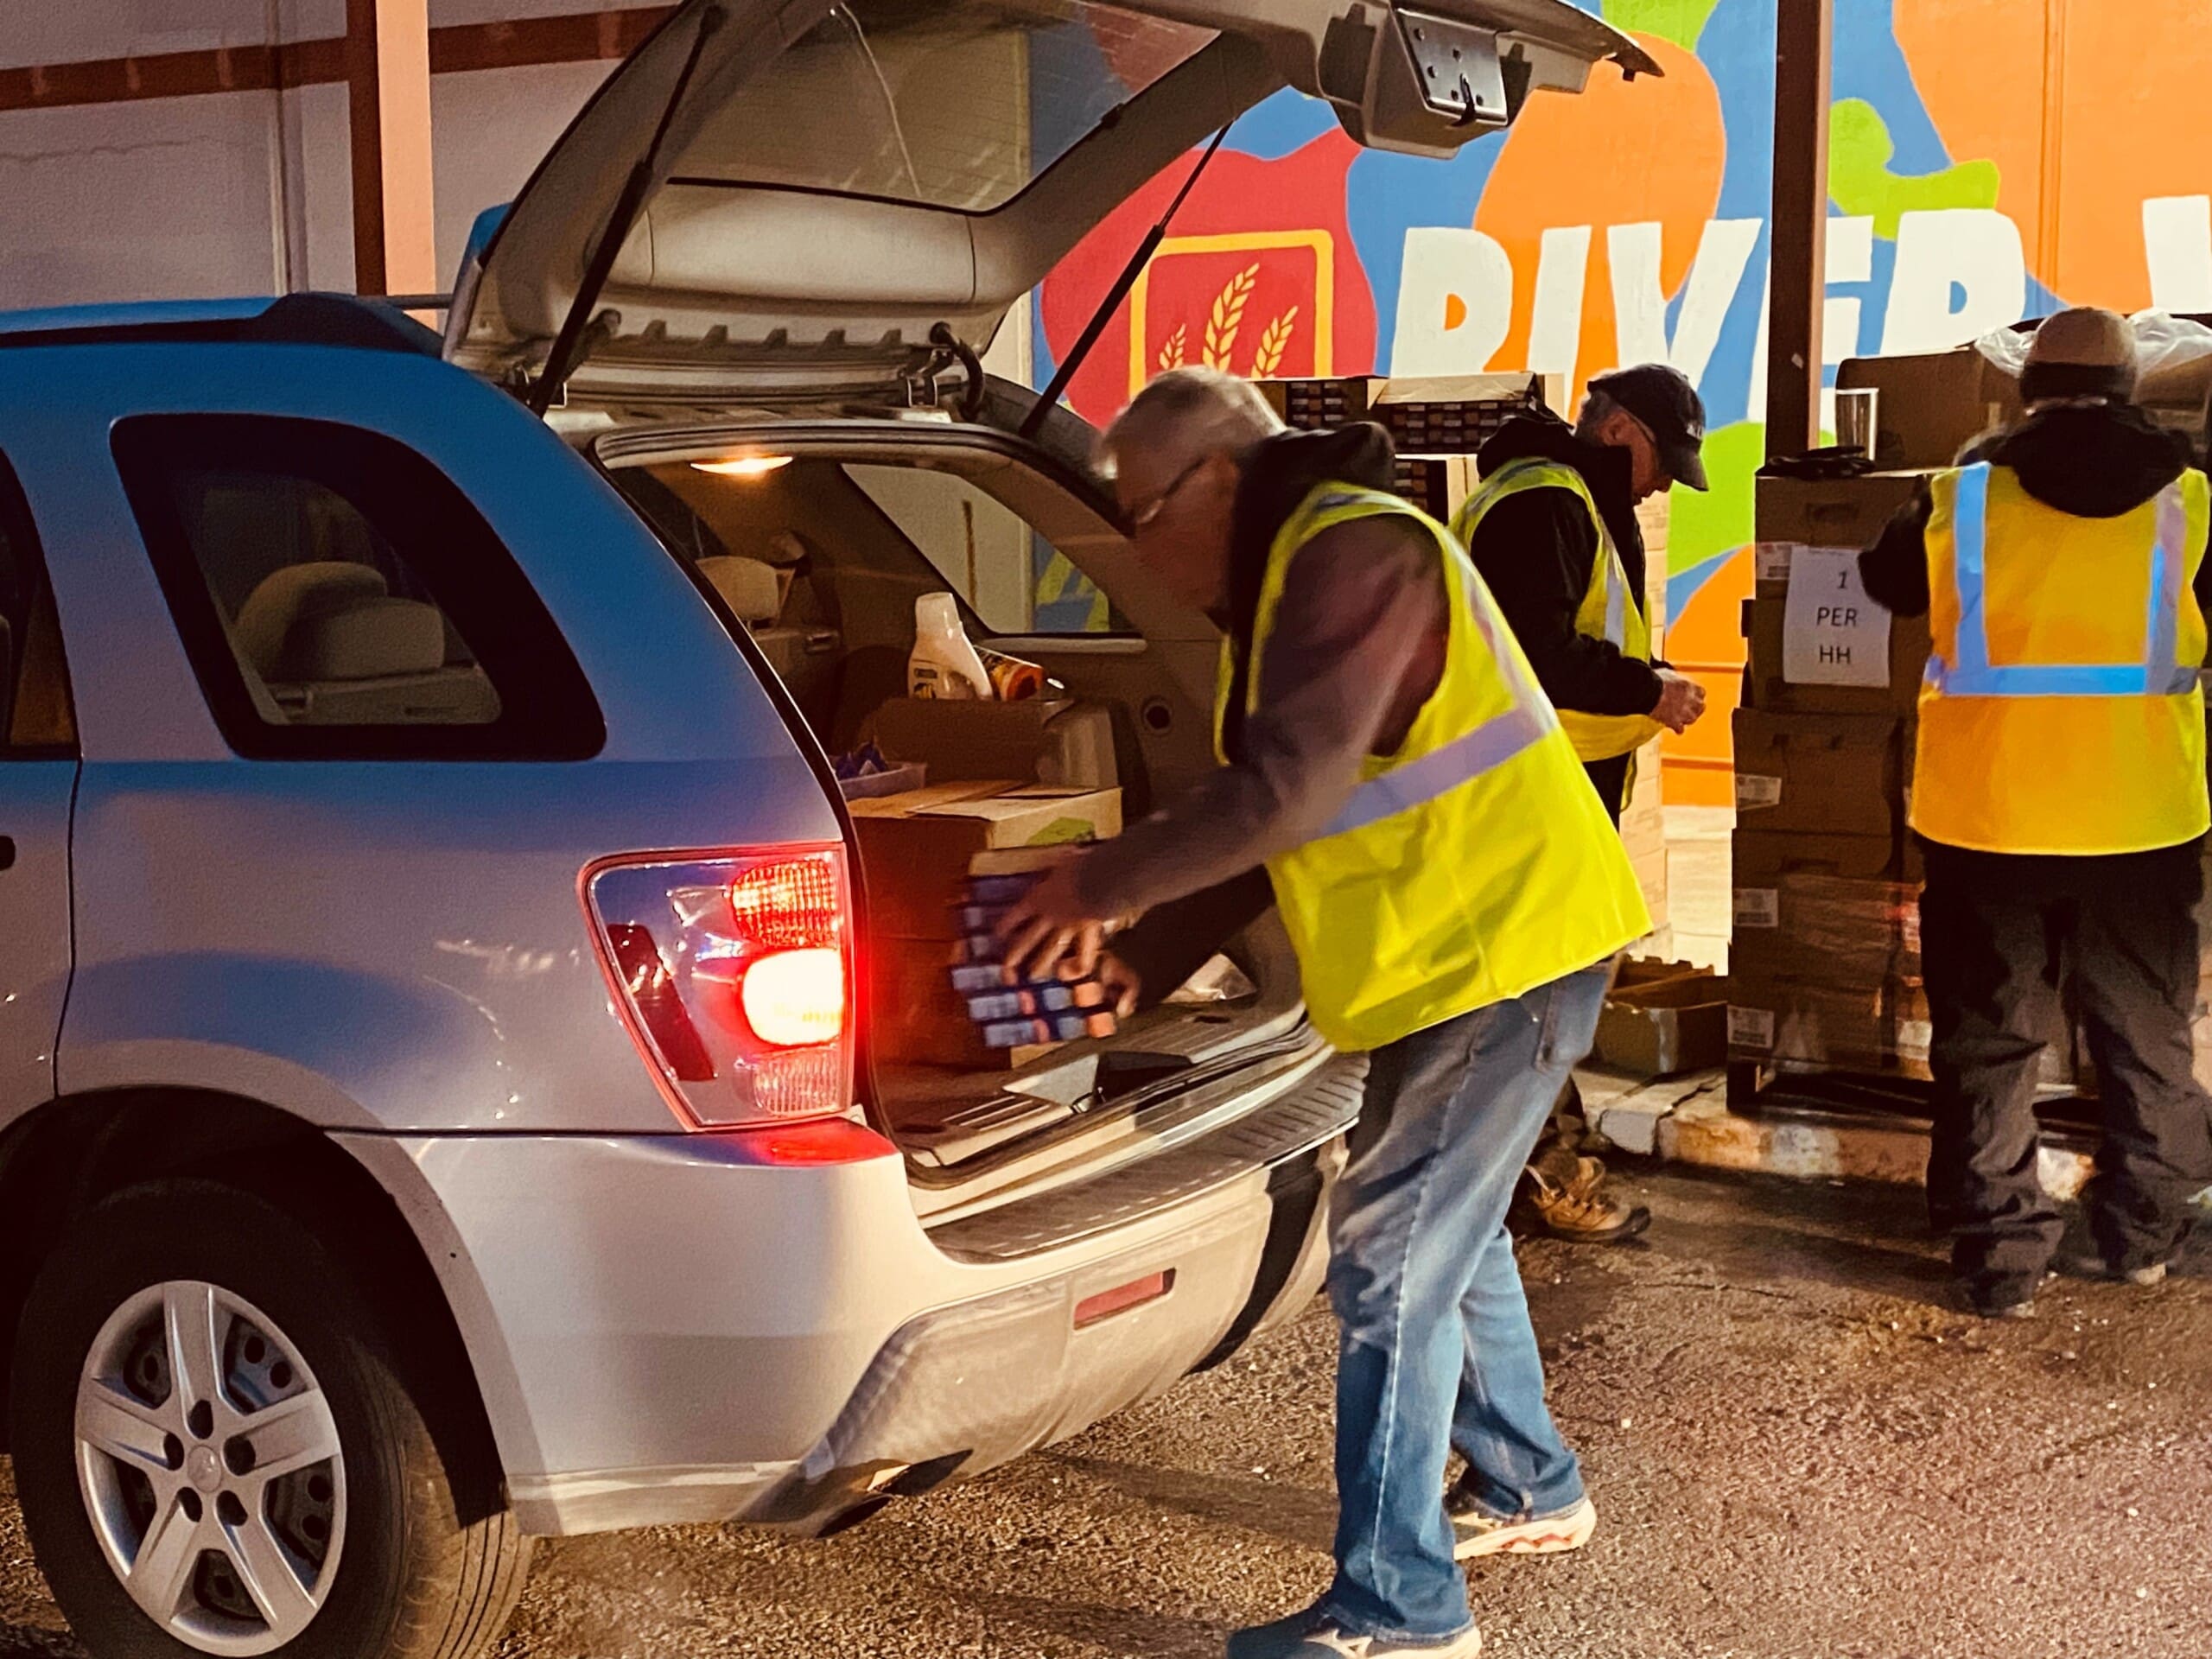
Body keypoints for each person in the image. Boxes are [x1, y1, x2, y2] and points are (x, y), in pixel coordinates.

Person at [997, 367, 1650, 1659]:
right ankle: (1529, 1483)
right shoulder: (1299, 569)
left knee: (1391, 1258)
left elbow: (1285, 792)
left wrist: (1101, 880)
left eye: (1142, 513)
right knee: (1442, 1238)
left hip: (1500, 953)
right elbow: (1279, 800)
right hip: (1450, 961)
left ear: (1220, 480)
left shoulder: (1354, 550)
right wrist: (1151, 951)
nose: (1136, 547)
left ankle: (1400, 1611)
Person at [1861, 306, 2212, 1320]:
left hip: (1989, 817)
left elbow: (1886, 587)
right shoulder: (2189, 499)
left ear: (2026, 390)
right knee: (2146, 1036)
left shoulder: (1956, 496)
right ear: (2128, 387)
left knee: (1988, 1039)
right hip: (2140, 819)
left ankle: (1999, 1258)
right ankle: (2142, 1238)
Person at [1448, 364, 1713, 1244]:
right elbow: (1540, 648)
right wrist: (1648, 688)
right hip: (1530, 782)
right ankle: (1538, 1169)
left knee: (1540, 977)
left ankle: (1536, 1158)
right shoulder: (1544, 504)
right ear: (1619, 433)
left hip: (1549, 778)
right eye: (1662, 459)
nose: (1665, 480)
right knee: (1541, 982)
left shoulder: (1567, 499)